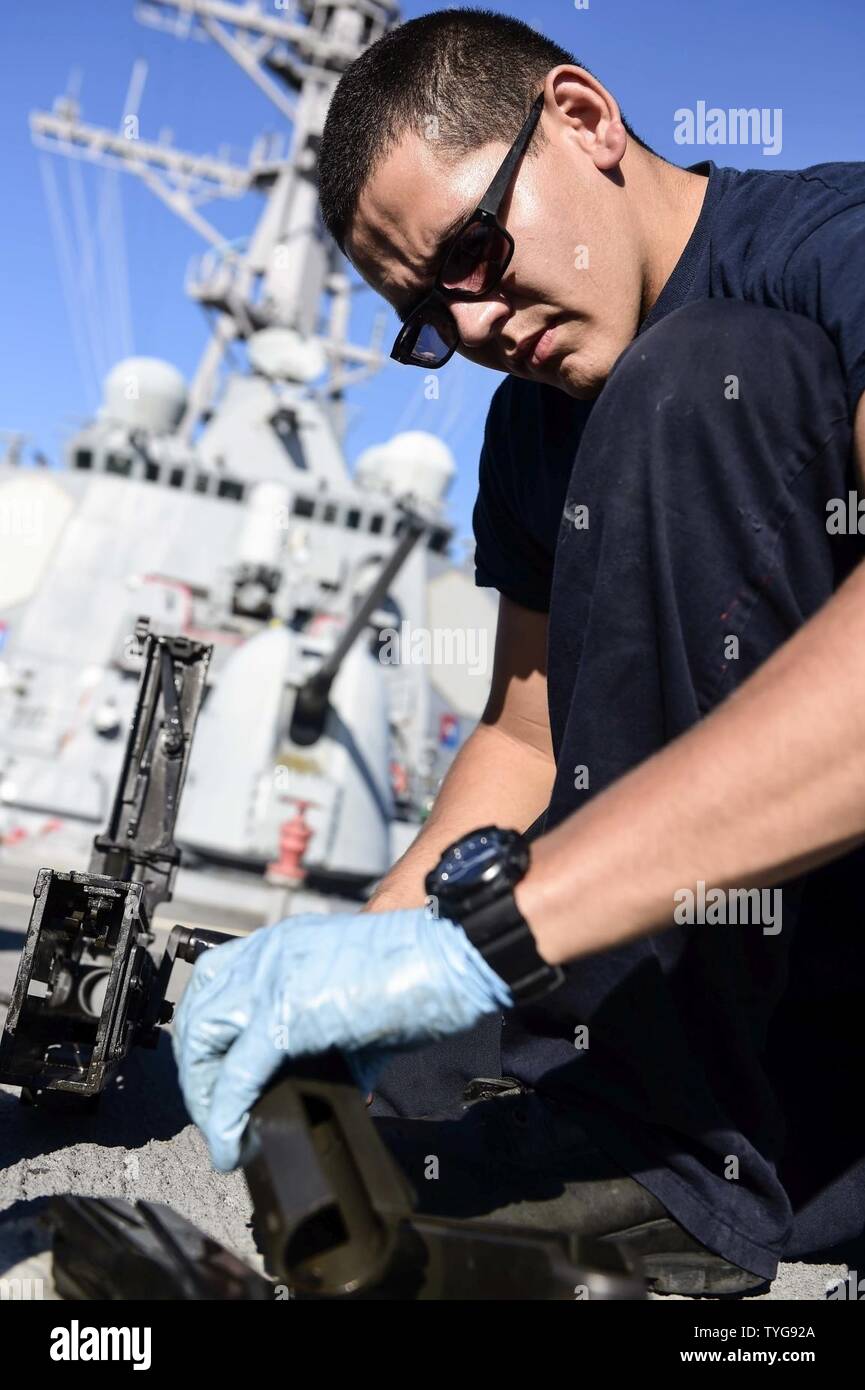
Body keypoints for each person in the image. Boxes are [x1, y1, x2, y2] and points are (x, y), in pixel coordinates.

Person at [173, 9, 865, 1296]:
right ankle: (655, 1125)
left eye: (473, 253)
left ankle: (668, 1171)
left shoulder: (830, 249)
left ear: (586, 119)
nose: (477, 324)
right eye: (429, 316)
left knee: (698, 378)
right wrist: (364, 972)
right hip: (756, 1019)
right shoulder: (532, 428)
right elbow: (524, 734)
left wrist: (483, 939)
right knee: (420, 1097)